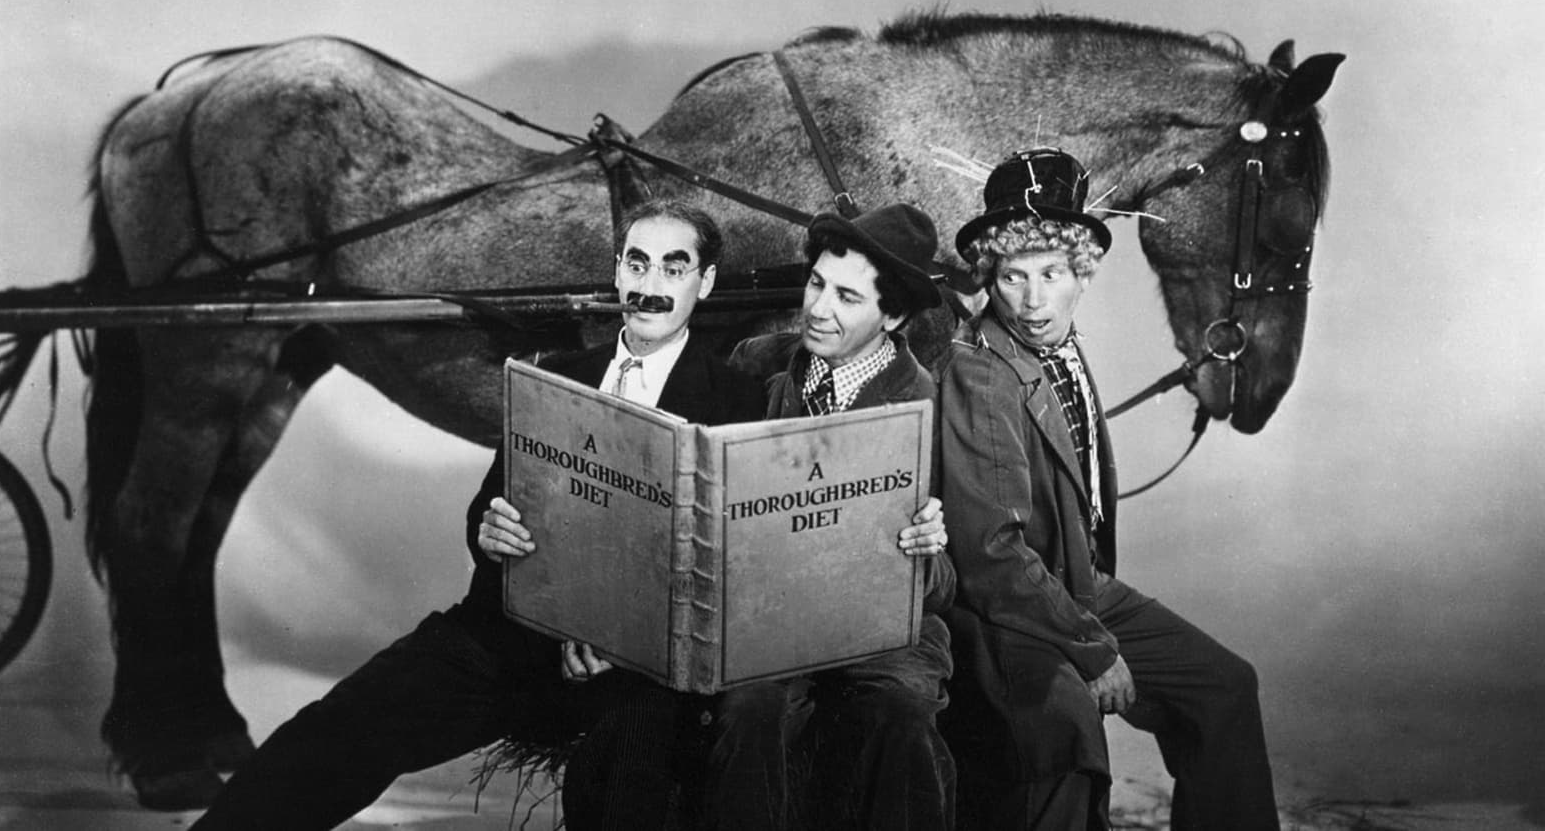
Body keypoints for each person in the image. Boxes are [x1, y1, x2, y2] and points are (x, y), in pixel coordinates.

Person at [192, 198, 764, 830]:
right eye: (637, 263)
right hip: (511, 641)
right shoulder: (555, 377)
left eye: (673, 268)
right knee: (340, 727)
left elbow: (724, 572)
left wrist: (629, 645)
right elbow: (487, 509)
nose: (650, 285)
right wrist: (491, 532)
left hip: (636, 671)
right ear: (616, 270)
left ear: (705, 283)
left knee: (629, 771)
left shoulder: (738, 403)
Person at [934, 148, 1280, 831]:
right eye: (1013, 277)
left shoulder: (1058, 343)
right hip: (1009, 609)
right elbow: (990, 553)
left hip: (1077, 587)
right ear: (991, 278)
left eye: (1051, 274)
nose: (1033, 300)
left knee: (1225, 687)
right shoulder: (980, 371)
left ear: (1081, 274)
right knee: (1069, 734)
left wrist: (1091, 622)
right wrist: (1093, 651)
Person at [710, 203, 957, 831]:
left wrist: (927, 548)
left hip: (881, 634)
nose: (818, 309)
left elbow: (943, 586)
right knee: (749, 710)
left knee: (901, 714)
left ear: (892, 316)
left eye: (847, 297)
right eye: (817, 283)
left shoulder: (922, 399)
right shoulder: (759, 360)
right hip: (770, 617)